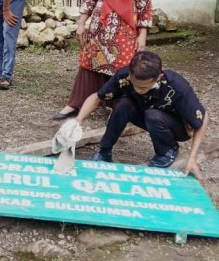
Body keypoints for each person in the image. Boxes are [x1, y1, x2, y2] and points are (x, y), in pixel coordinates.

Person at [53, 0, 152, 120]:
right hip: (99, 28)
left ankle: (116, 106)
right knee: (90, 64)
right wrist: (81, 24)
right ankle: (76, 103)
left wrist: (142, 35)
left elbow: (144, 7)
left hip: (124, 32)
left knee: (121, 68)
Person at [73, 51, 208, 179]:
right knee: (122, 104)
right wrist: (78, 120)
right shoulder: (124, 76)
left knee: (153, 115)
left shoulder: (177, 87)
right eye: (134, 84)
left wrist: (192, 157)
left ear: (158, 77)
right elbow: (98, 96)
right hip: (146, 112)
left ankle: (167, 149)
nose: (137, 89)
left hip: (176, 126)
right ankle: (104, 152)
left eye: (143, 87)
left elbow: (202, 118)